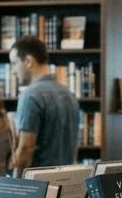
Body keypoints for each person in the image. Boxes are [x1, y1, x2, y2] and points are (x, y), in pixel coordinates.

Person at [9, 34, 80, 173]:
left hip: (40, 187)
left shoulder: (30, 95)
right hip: (67, 180)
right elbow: (74, 146)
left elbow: (25, 150)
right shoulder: (69, 95)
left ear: (28, 61)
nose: (13, 71)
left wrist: (15, 188)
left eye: (14, 63)